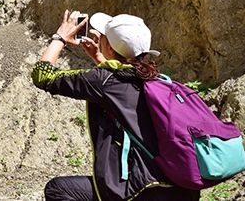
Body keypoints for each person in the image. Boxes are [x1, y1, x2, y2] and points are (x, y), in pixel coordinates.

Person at [31, 10, 200, 201]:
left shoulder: (104, 82)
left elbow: (42, 76)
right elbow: (120, 80)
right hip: (181, 187)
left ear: (110, 48)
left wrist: (60, 36)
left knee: (58, 190)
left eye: (103, 37)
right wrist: (98, 58)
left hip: (141, 190)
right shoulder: (158, 80)